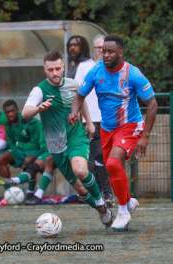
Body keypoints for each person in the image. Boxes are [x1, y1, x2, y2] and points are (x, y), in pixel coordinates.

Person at [69, 35, 158, 231]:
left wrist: (145, 136)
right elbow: (78, 96)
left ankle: (124, 211)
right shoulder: (96, 71)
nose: (105, 54)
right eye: (103, 51)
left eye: (110, 51)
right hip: (107, 129)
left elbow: (152, 104)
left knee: (112, 163)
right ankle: (129, 202)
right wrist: (75, 112)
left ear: (120, 53)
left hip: (129, 126)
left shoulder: (132, 73)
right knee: (111, 171)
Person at [23, 51, 114, 228]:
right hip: (56, 147)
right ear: (45, 70)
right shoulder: (39, 90)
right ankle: (103, 211)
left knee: (80, 170)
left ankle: (102, 207)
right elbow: (25, 112)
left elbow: (81, 99)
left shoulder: (73, 84)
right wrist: (38, 109)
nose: (55, 73)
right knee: (80, 189)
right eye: (51, 69)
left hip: (76, 136)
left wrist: (89, 122)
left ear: (63, 67)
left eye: (58, 68)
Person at [74, 34, 115, 207]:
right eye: (98, 48)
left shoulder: (114, 68)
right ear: (94, 49)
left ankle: (103, 194)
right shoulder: (85, 67)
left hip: (110, 121)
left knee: (104, 159)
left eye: (104, 48)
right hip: (91, 120)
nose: (101, 51)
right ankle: (99, 194)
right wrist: (80, 118)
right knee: (92, 158)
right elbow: (76, 93)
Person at [0, 99, 56, 205]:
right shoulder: (8, 124)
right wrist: (17, 147)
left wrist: (19, 144)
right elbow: (12, 144)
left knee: (29, 160)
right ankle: (10, 192)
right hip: (21, 151)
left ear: (18, 110)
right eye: (7, 112)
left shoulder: (32, 121)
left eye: (12, 111)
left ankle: (29, 192)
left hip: (37, 151)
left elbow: (36, 144)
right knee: (0, 158)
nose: (10, 114)